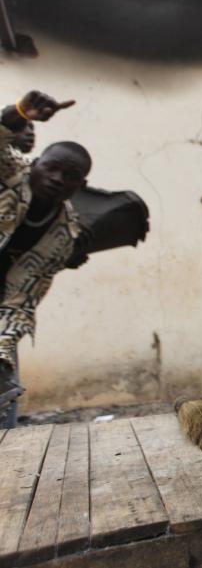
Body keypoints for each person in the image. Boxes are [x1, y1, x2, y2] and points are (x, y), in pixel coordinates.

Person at [0, 90, 89, 428]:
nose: (57, 180)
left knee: (4, 406)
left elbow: (21, 300)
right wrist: (19, 112)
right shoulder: (9, 173)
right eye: (52, 168)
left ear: (81, 185)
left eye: (70, 176)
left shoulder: (63, 236)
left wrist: (2, 351)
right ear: (35, 164)